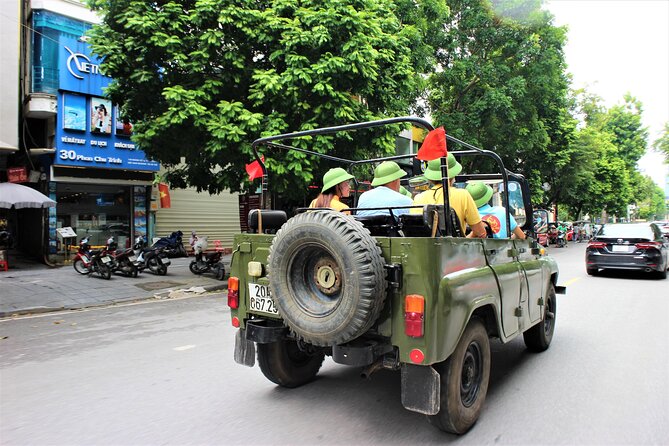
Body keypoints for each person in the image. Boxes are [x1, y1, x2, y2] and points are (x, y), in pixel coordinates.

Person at [411, 154, 487, 238]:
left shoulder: (418, 198)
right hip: (454, 250)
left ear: (430, 178)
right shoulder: (462, 195)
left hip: (425, 249)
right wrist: (464, 240)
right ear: (453, 175)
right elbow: (481, 233)